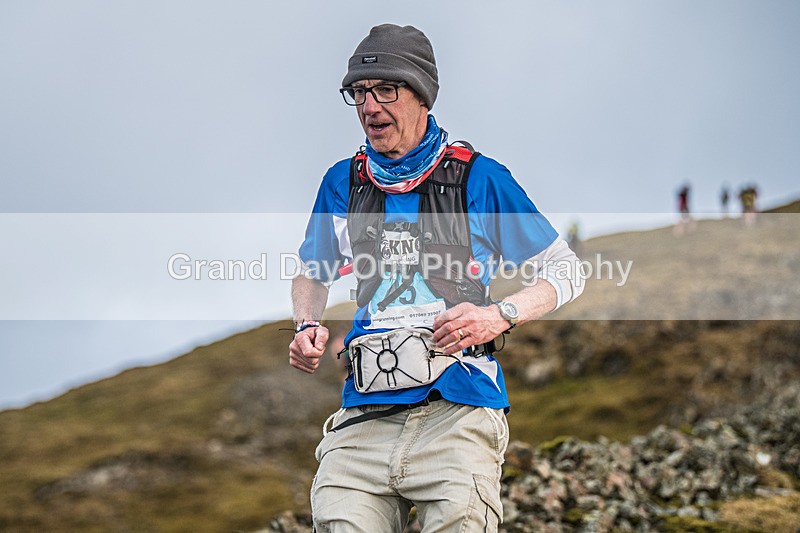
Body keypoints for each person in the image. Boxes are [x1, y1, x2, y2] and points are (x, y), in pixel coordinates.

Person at [288, 24, 584, 532]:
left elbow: (567, 270)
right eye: (359, 92)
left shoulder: (481, 178)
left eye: (386, 90)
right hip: (363, 417)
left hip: (459, 411)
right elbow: (312, 272)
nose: (369, 106)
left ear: (421, 96)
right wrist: (305, 325)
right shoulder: (343, 182)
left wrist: (498, 316)